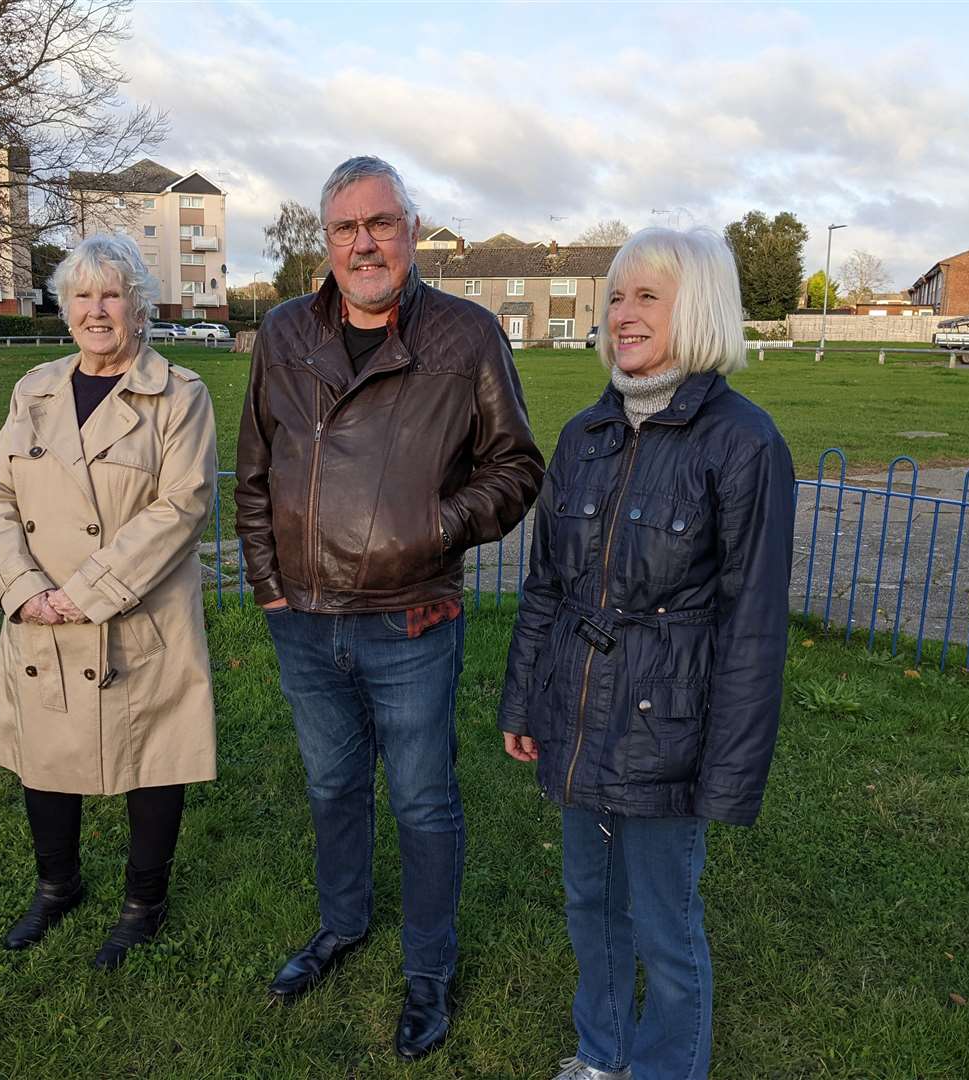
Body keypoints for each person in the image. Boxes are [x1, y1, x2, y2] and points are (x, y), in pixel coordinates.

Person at [236, 155, 544, 1060]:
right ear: (324, 241)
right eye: (345, 228)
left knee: (421, 802)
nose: (364, 242)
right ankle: (341, 927)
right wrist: (268, 584)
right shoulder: (284, 334)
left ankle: (428, 971)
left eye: (381, 223)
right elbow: (253, 471)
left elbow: (519, 469)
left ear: (411, 230)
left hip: (411, 620)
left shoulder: (468, 337)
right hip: (305, 620)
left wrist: (436, 523)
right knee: (332, 788)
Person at [498, 228, 794, 1080]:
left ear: (695, 308)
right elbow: (547, 587)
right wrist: (525, 702)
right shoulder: (586, 433)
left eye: (647, 296)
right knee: (591, 907)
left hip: (670, 732)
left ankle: (667, 1068)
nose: (622, 315)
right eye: (616, 297)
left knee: (665, 926)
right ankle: (602, 1054)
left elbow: (752, 625)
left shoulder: (743, 442)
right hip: (579, 721)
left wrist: (729, 773)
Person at [0, 232, 218, 971]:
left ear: (139, 307)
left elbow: (182, 505)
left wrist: (85, 595)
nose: (96, 310)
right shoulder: (35, 389)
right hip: (41, 615)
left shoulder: (180, 394)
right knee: (43, 755)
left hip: (139, 617)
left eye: (111, 294)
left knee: (155, 759)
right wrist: (25, 592)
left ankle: (144, 903)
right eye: (82, 296)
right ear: (65, 308)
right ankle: (58, 888)